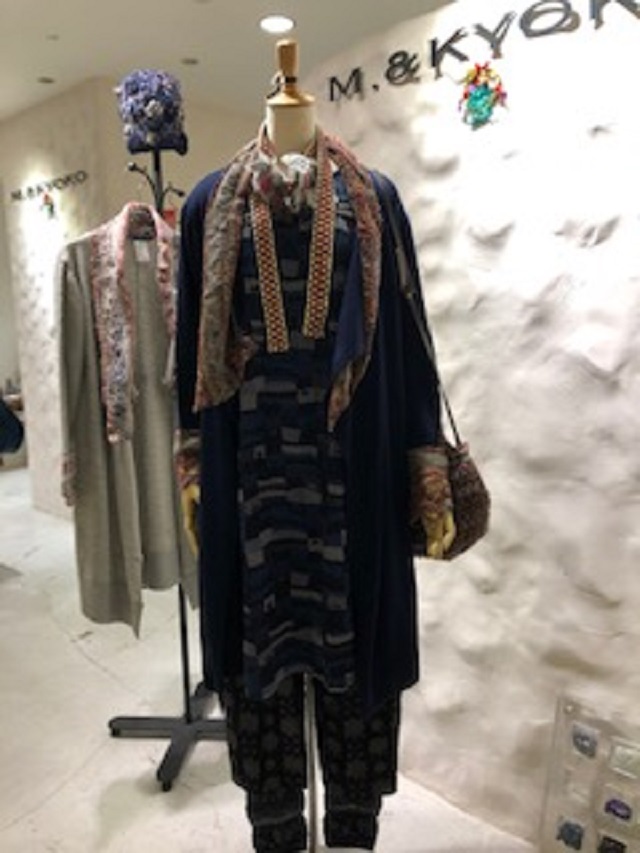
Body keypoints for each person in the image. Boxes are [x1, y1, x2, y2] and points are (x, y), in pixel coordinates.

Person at [175, 40, 454, 853]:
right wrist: (192, 468)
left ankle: (353, 832)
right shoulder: (207, 207)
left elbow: (409, 343)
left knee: (357, 681)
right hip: (249, 496)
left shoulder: (374, 200)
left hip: (353, 490)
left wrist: (426, 466)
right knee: (259, 690)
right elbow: (189, 359)